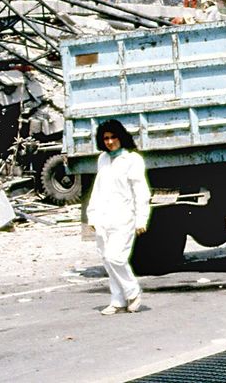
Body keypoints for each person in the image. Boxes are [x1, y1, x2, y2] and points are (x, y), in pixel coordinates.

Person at [86, 120, 151, 315]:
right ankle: (117, 300)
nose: (110, 142)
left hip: (123, 216)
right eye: (106, 138)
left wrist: (141, 219)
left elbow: (141, 191)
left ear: (121, 137)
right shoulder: (103, 159)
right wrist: (92, 215)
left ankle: (132, 291)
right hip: (103, 218)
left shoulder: (132, 160)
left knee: (115, 257)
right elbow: (97, 190)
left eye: (113, 137)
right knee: (107, 259)